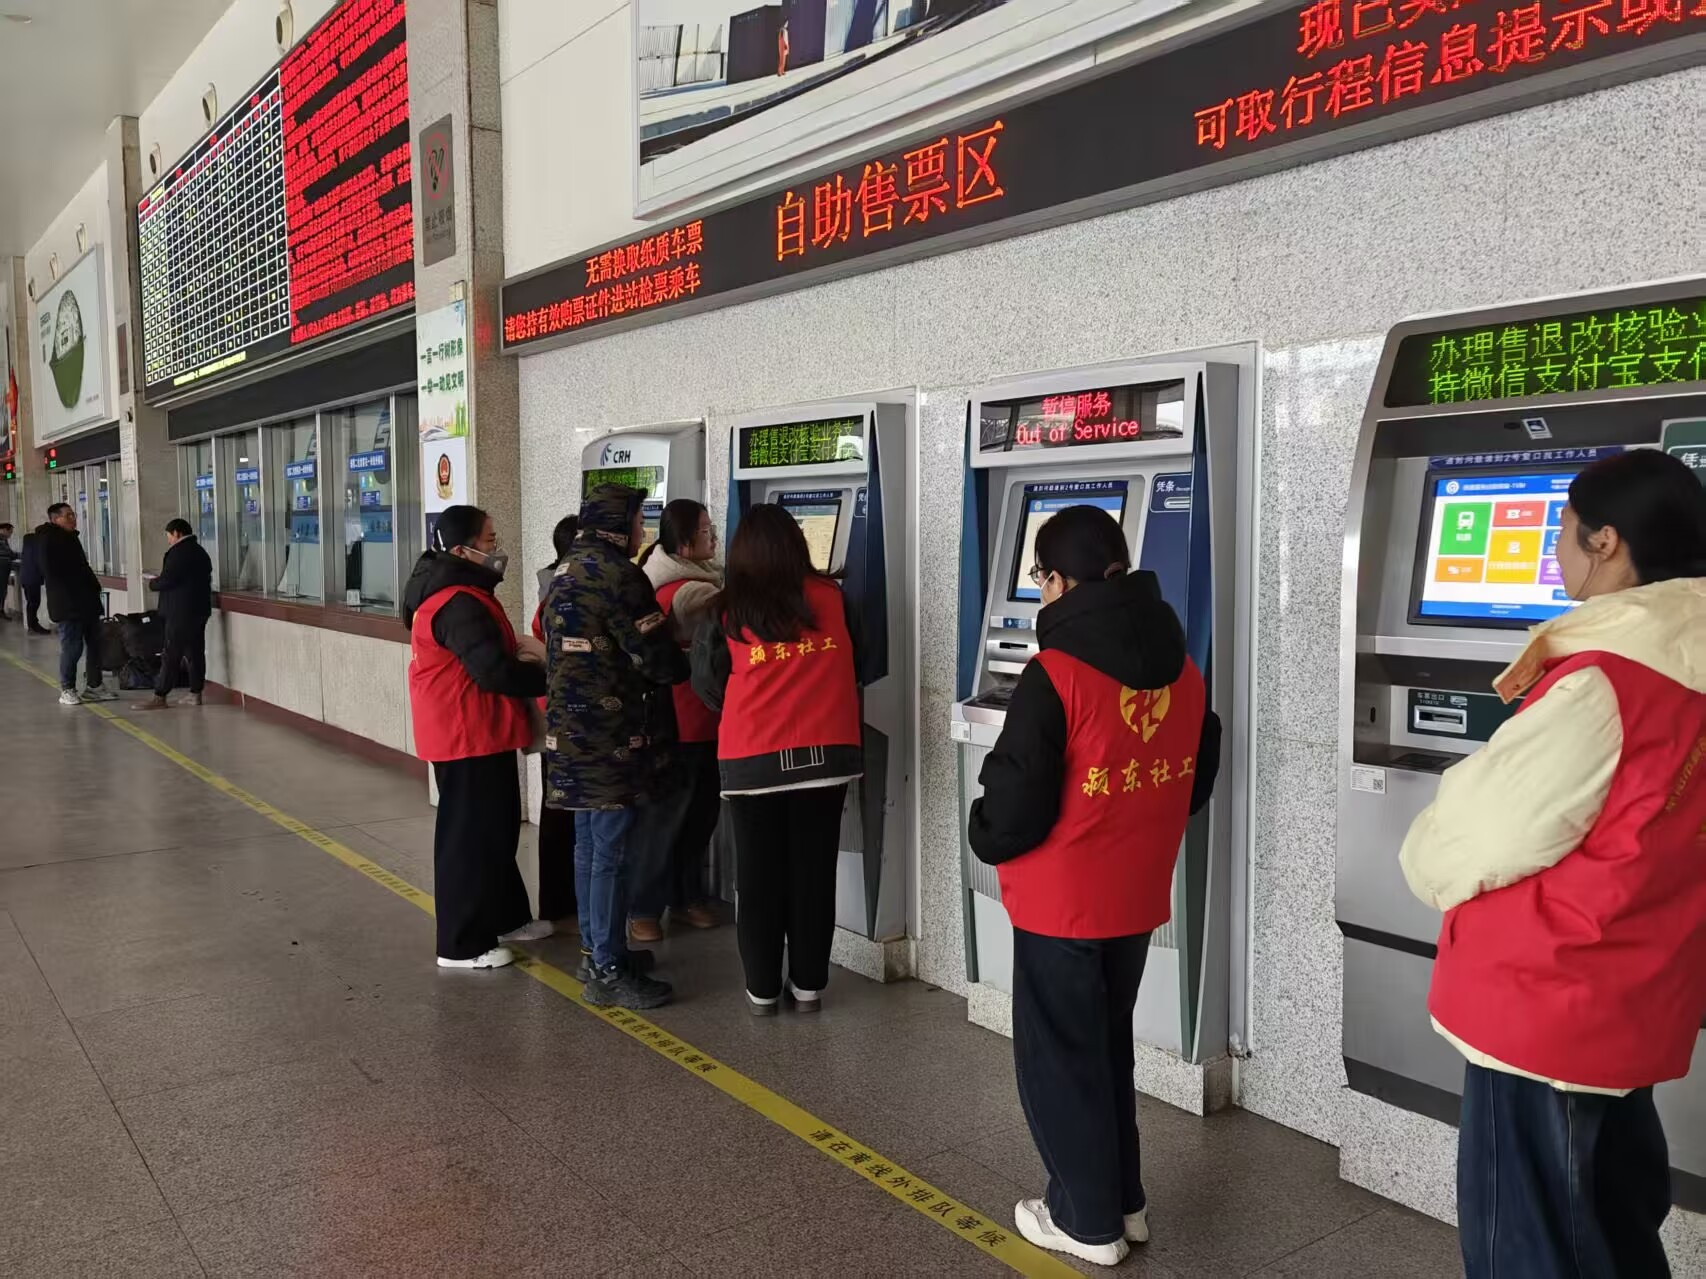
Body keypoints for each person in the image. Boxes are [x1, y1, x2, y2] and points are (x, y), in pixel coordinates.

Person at [1399, 448, 1706, 1279]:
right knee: (1611, 1225)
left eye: (1562, 530)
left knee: (1527, 1245)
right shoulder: (1688, 664)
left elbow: (1477, 834)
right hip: (1634, 995)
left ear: (1606, 542)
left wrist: (1422, 852)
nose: (1554, 549)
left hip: (1547, 1013)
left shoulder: (1606, 685)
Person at [967, 504, 1220, 1267]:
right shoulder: (1185, 668)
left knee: (1060, 1060)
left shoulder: (1055, 674)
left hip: (1061, 901)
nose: (1040, 590)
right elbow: (1196, 776)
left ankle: (1084, 1220)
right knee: (1107, 1046)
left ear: (1058, 581)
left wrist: (984, 829)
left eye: (1040, 576)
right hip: (1135, 896)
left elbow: (1016, 803)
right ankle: (1123, 1201)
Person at [691, 503, 863, 1016]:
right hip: (826, 757)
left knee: (758, 879)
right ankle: (809, 988)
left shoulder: (724, 610)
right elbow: (861, 660)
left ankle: (762, 991)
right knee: (814, 874)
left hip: (753, 762)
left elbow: (708, 686)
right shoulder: (833, 598)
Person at [540, 484, 686, 1010]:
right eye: (639, 520)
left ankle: (596, 950)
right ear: (617, 526)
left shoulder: (565, 569)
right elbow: (657, 658)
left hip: (570, 733)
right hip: (610, 737)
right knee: (611, 853)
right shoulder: (620, 575)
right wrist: (681, 654)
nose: (644, 530)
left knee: (589, 846)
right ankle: (607, 970)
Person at [403, 504, 552, 970]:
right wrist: (551, 676)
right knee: (467, 840)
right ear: (463, 550)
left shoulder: (465, 592)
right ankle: (461, 943)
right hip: (463, 735)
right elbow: (492, 671)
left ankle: (506, 917)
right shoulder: (455, 602)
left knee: (497, 830)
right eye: (489, 540)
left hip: (484, 731)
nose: (497, 547)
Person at [628, 499, 725, 942]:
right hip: (680, 725)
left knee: (698, 817)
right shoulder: (683, 592)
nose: (714, 537)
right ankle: (644, 906)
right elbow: (721, 606)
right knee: (666, 819)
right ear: (684, 545)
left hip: (706, 722)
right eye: (705, 531)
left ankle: (686, 897)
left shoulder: (695, 577)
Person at [531, 514, 580, 925]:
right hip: (569, 717)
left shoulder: (550, 589)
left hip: (555, 714)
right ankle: (563, 904)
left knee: (557, 810)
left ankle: (558, 903)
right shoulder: (565, 596)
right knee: (565, 814)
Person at [37, 502, 112, 706]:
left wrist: (93, 586)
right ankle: (67, 689)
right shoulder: (48, 540)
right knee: (73, 647)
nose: (73, 518)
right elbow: (53, 573)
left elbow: (82, 567)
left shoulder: (70, 537)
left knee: (95, 645)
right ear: (56, 519)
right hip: (68, 605)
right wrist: (77, 586)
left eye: (74, 514)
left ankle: (94, 686)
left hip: (86, 602)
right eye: (68, 515)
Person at [139, 518, 214, 710]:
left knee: (171, 653)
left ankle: (160, 696)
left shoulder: (179, 553)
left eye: (169, 536)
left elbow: (168, 579)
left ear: (177, 533)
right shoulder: (200, 551)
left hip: (180, 612)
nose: (169, 540)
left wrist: (153, 583)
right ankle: (195, 693)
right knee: (195, 652)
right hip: (199, 610)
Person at [18, 524, 48, 633]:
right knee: (34, 602)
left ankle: (32, 625)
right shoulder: (39, 544)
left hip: (25, 576)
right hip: (33, 578)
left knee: (31, 602)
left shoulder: (28, 541)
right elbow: (41, 561)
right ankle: (33, 625)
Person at [0, 522, 16, 619]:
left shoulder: (4, 539)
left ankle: (1, 611)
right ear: (4, 530)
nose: (10, 535)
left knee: (3, 590)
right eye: (10, 532)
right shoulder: (1, 539)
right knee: (1, 590)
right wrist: (20, 555)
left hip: (4, 569)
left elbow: (9, 553)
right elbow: (8, 553)